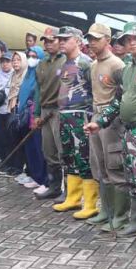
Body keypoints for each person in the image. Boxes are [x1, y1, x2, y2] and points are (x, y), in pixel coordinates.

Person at [85, 22, 136, 251]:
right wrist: (100, 122)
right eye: (128, 40)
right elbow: (120, 100)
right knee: (134, 179)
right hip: (130, 132)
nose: (132, 43)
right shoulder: (129, 67)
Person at [82, 23, 130, 231]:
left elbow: (123, 96)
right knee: (99, 165)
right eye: (90, 38)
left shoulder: (117, 65)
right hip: (95, 116)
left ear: (108, 41)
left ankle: (121, 215)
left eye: (96, 38)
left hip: (113, 121)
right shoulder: (93, 65)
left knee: (114, 166)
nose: (92, 42)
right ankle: (106, 211)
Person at [51, 26, 100, 220]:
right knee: (69, 156)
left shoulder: (86, 63)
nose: (61, 42)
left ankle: (90, 203)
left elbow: (95, 91)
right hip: (65, 116)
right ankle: (73, 198)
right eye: (60, 39)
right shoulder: (65, 63)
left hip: (82, 116)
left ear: (78, 41)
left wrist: (92, 117)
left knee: (84, 157)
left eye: (66, 39)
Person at [32, 27, 67, 200]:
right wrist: (37, 114)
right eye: (45, 41)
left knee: (63, 151)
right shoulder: (42, 63)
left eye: (51, 40)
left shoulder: (66, 60)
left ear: (59, 41)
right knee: (48, 151)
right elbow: (38, 90)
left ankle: (69, 191)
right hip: (45, 110)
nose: (48, 43)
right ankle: (54, 187)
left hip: (60, 110)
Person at [17, 46, 48, 191]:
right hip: (25, 117)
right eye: (29, 55)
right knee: (30, 148)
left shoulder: (41, 73)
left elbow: (38, 95)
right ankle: (34, 175)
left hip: (36, 117)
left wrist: (35, 113)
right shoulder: (28, 74)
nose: (31, 59)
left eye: (35, 56)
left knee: (38, 148)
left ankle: (43, 178)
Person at [6, 51, 29, 182]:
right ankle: (17, 166)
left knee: (22, 141)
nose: (15, 62)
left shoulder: (26, 76)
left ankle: (23, 168)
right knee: (13, 139)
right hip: (12, 109)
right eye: (13, 60)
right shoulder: (13, 75)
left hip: (22, 112)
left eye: (18, 60)